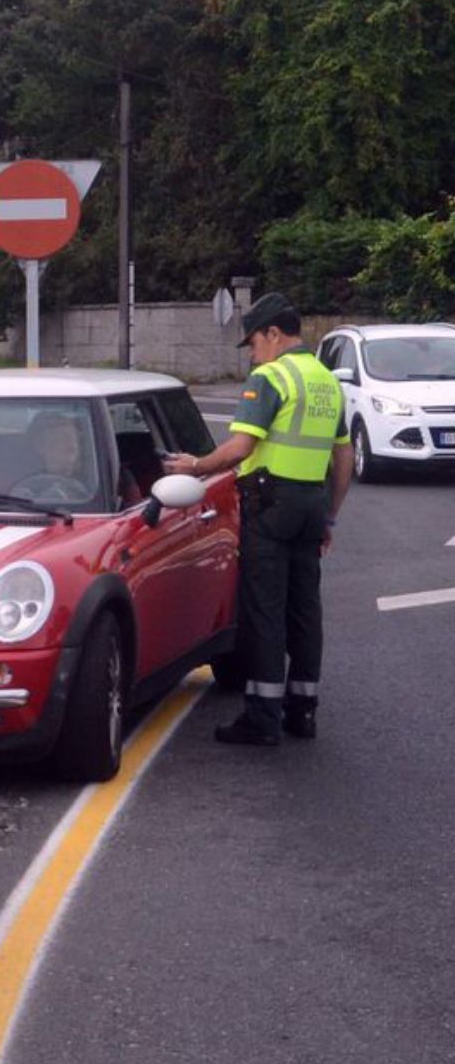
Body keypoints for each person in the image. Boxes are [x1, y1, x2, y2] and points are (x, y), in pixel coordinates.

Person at [163, 290, 351, 747]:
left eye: (253, 342)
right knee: (306, 609)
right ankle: (302, 711)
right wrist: (329, 517)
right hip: (311, 503)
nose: (252, 352)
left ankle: (262, 719)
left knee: (265, 610)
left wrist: (196, 466)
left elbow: (241, 447)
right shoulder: (326, 381)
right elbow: (343, 457)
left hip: (270, 504)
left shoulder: (271, 377)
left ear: (273, 333)